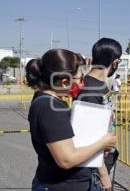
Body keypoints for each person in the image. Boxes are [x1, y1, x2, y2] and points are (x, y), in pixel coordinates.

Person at [26, 49, 116, 191]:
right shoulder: (48, 108)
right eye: (80, 78)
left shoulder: (51, 102)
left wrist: (102, 174)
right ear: (64, 82)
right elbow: (66, 159)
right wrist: (102, 143)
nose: (82, 83)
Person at [77, 38, 122, 190]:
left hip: (103, 160)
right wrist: (103, 175)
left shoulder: (100, 86)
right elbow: (87, 137)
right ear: (115, 62)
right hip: (94, 169)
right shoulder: (89, 89)